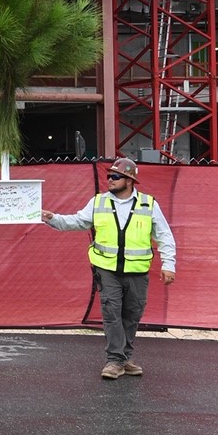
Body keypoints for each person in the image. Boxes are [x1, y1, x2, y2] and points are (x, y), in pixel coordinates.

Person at [41, 157, 175, 380]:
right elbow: (77, 222)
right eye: (108, 176)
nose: (110, 180)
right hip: (106, 269)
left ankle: (125, 358)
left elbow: (164, 237)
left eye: (115, 176)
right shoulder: (99, 202)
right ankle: (114, 360)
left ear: (129, 180)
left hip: (137, 271)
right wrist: (52, 219)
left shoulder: (148, 204)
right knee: (112, 313)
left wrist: (169, 264)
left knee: (131, 315)